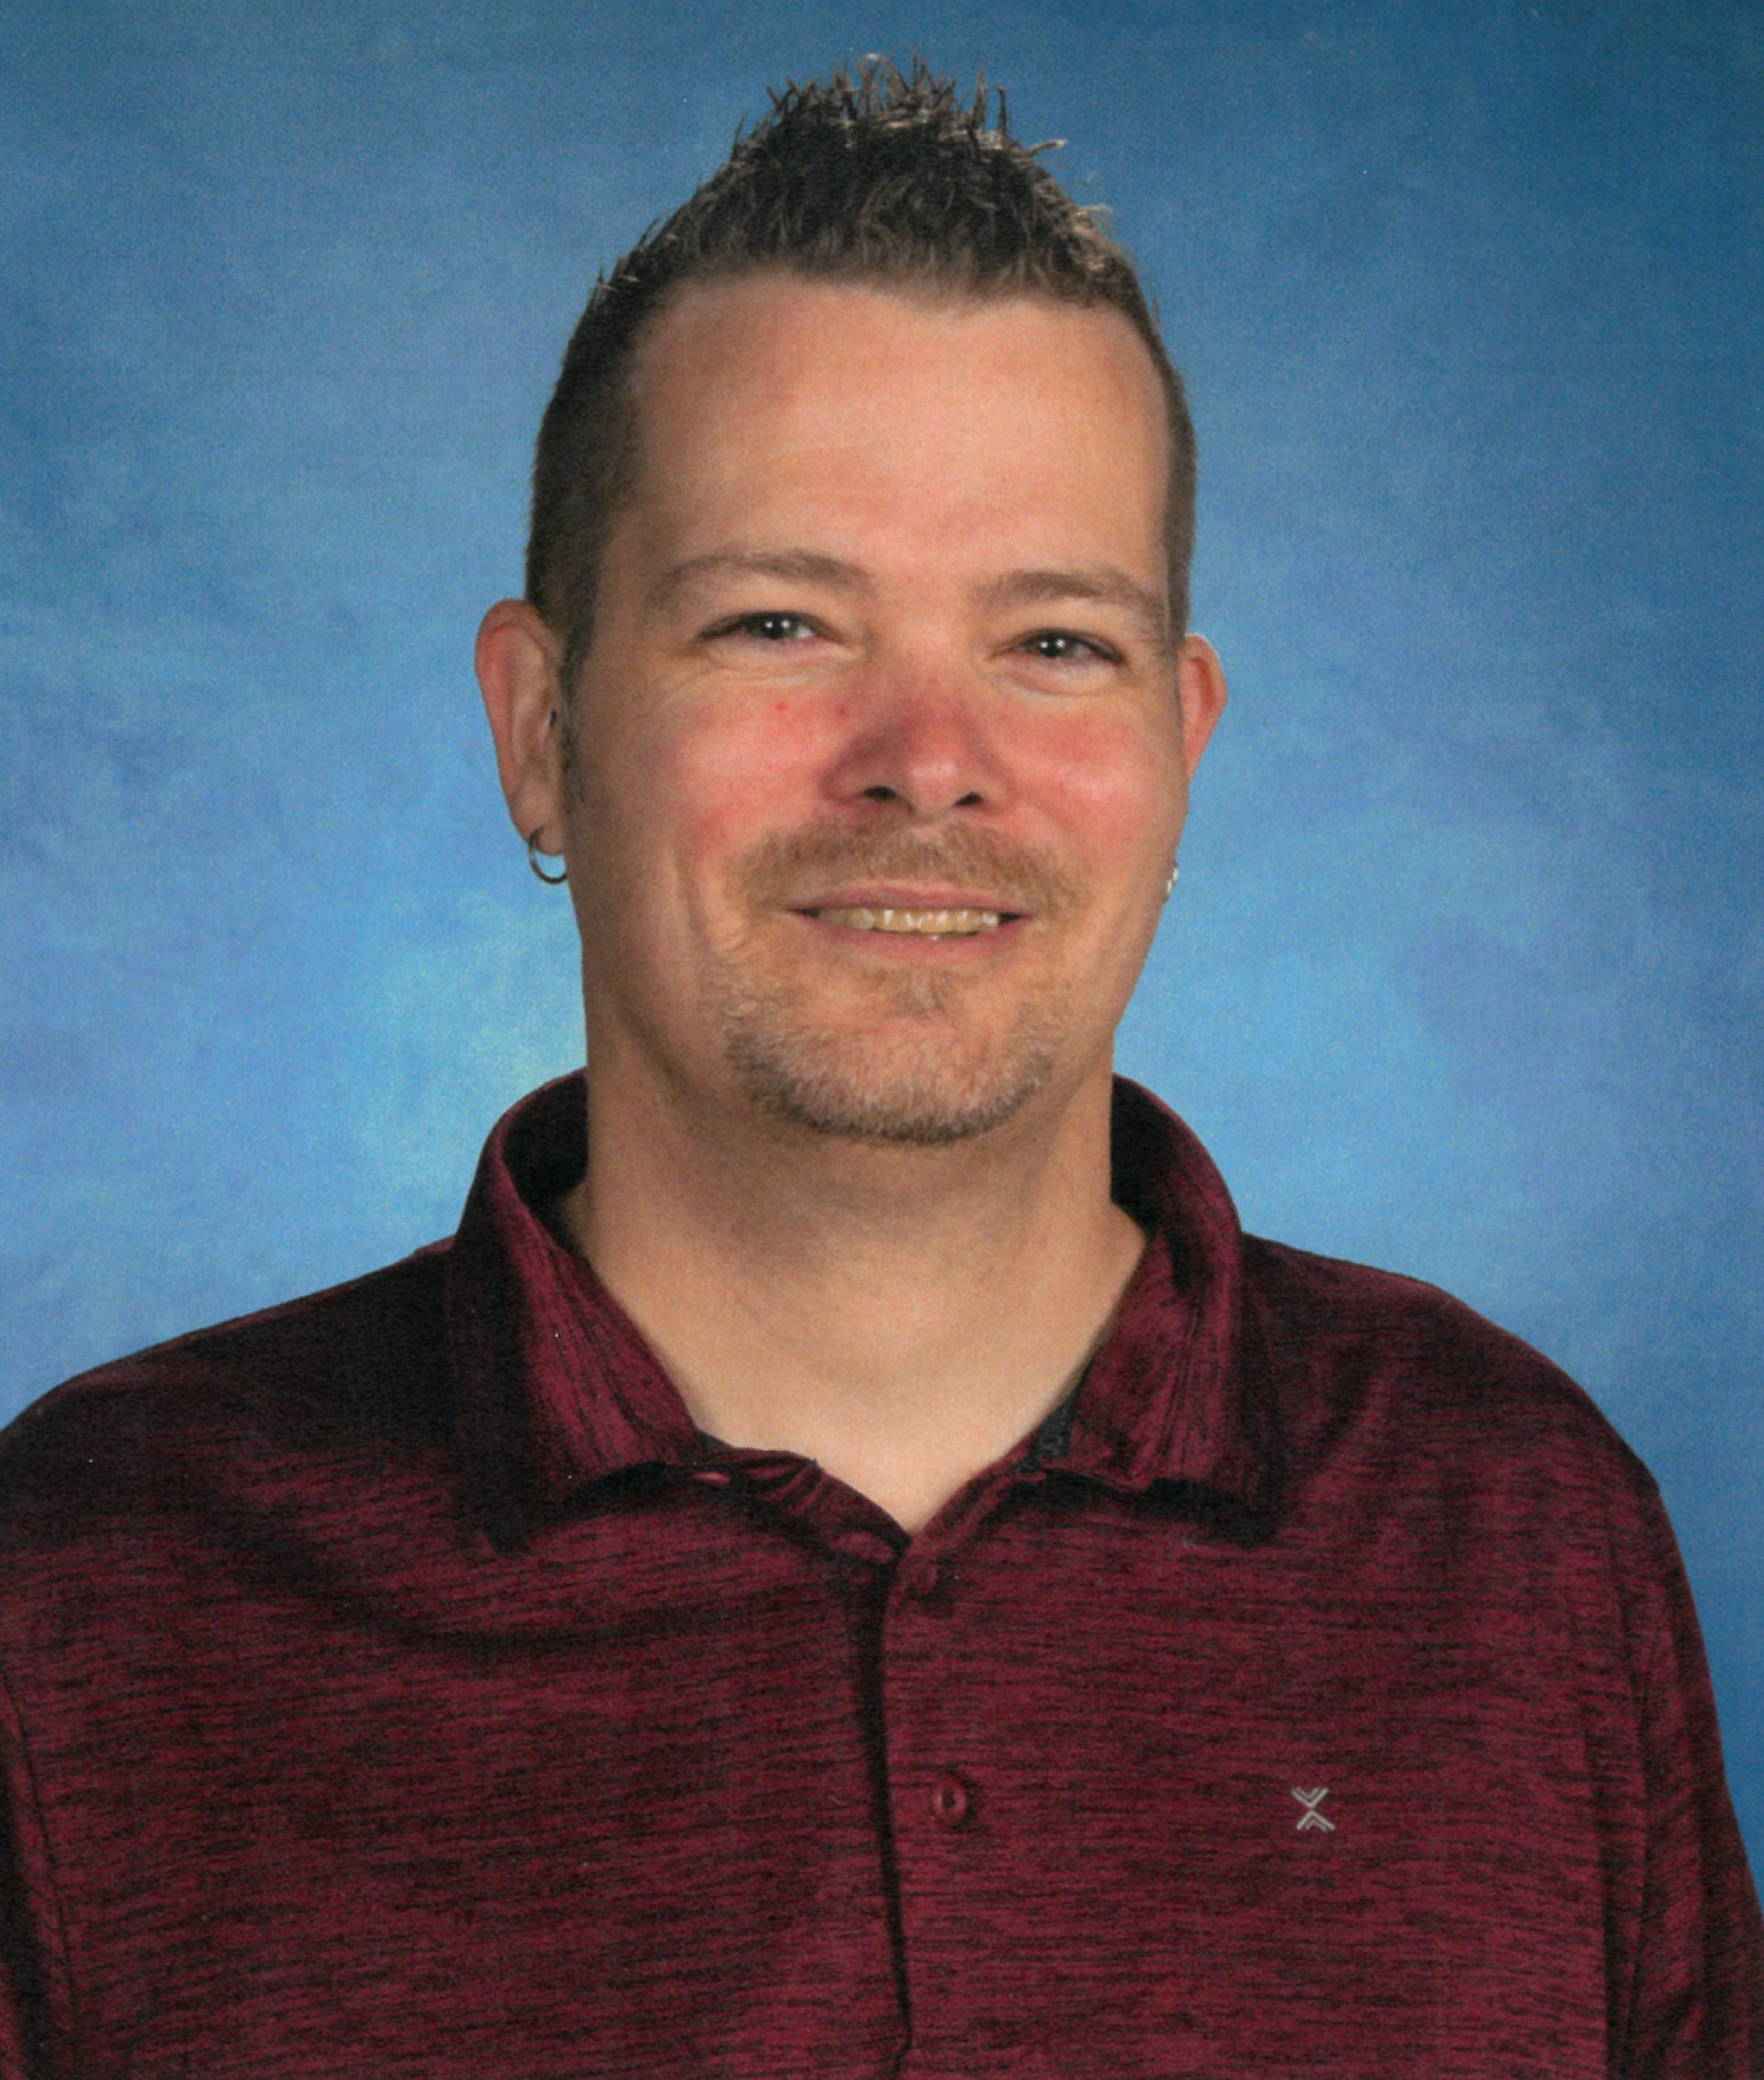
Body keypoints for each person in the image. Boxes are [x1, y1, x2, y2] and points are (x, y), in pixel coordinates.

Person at [0, 61, 1757, 2080]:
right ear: (542, 725)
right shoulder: (94, 1588)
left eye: (1055, 644)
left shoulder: (1516, 1531)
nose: (928, 755)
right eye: (778, 619)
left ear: (1183, 742)